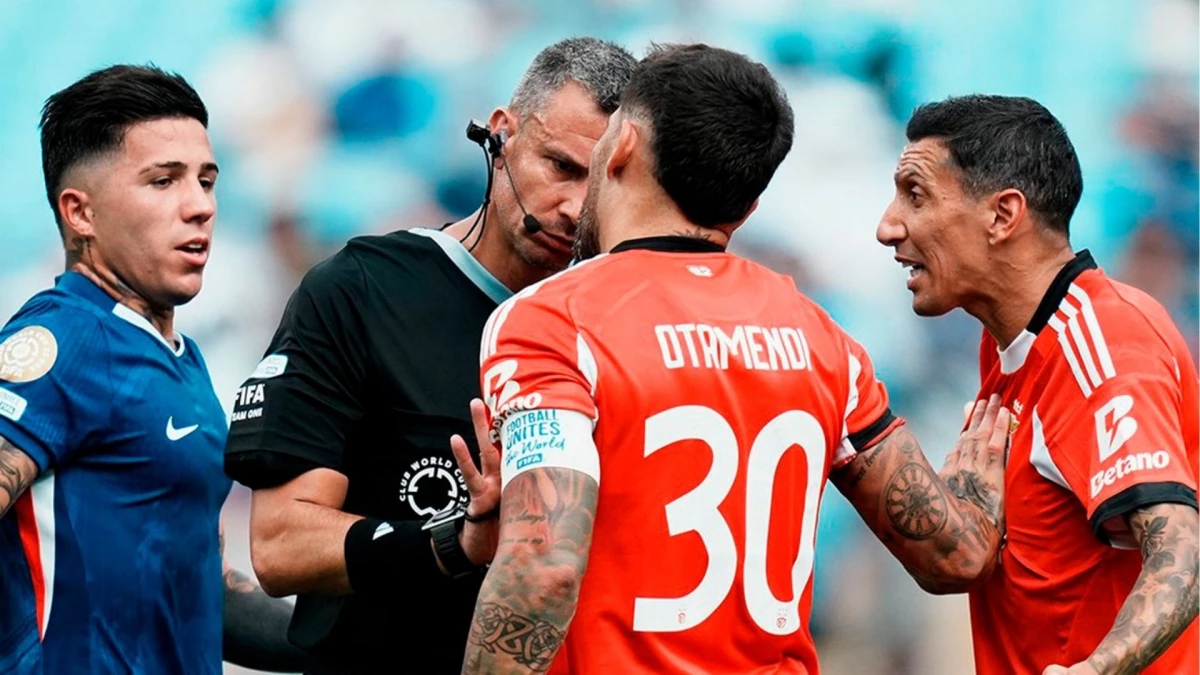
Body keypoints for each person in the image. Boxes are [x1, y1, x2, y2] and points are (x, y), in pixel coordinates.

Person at [455, 43, 1013, 674]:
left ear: (625, 144)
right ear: (747, 208)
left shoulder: (550, 320)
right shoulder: (823, 340)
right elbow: (956, 558)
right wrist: (972, 488)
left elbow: (544, 567)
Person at [222, 37, 637, 674]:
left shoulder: (630, 323)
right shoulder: (360, 292)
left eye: (603, 181)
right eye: (559, 166)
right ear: (502, 136)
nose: (575, 208)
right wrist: (457, 541)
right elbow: (280, 546)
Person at [876, 94, 1199, 675]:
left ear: (1003, 215)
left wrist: (1095, 671)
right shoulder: (1007, 339)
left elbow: (1183, 552)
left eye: (915, 194)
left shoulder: (1106, 340)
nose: (887, 226)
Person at [0, 65, 306, 674]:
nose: (199, 207)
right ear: (80, 213)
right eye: (163, 181)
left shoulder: (181, 362)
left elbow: (202, 595)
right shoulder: (62, 342)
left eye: (207, 180)